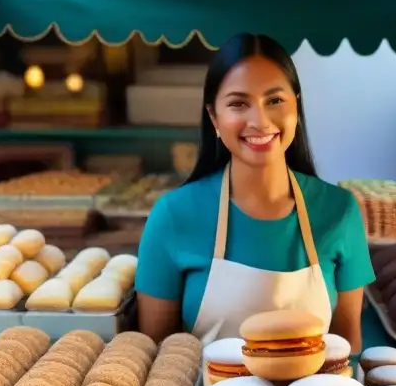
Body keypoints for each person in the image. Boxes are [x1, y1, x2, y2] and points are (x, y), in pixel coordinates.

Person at [135, 32, 374, 350]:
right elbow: (155, 359)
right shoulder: (173, 216)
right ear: (213, 116)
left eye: (275, 100)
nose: (260, 121)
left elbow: (347, 350)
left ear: (296, 107)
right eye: (238, 103)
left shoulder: (340, 211)